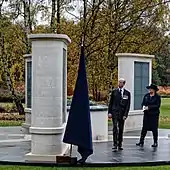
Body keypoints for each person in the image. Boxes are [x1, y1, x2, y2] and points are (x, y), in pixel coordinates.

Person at [108, 78, 131, 152]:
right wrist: (110, 112)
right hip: (115, 112)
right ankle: (114, 144)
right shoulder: (114, 92)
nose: (120, 83)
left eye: (121, 82)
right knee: (115, 127)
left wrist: (125, 114)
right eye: (119, 82)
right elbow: (110, 103)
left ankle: (120, 143)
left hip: (122, 113)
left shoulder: (127, 93)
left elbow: (128, 105)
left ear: (124, 83)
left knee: (121, 128)